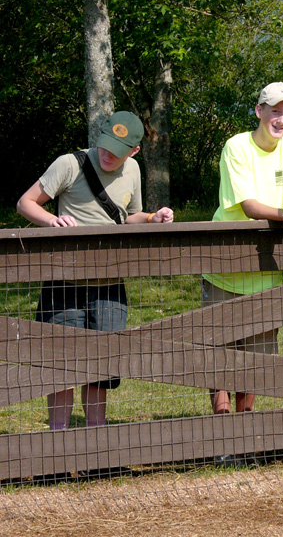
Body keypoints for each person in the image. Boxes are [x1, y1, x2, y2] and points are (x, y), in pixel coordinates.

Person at [16, 111, 174, 430]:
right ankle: (59, 438)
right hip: (64, 282)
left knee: (102, 362)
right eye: (104, 145)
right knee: (61, 363)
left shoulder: (133, 170)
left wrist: (150, 219)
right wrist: (52, 221)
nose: (106, 154)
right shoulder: (69, 164)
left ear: (133, 151)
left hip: (110, 283)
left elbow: (128, 216)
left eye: (116, 151)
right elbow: (26, 203)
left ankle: (96, 443)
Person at [202, 82, 283, 418]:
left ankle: (245, 422)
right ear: (259, 111)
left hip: (267, 269)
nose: (282, 120)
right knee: (218, 351)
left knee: (258, 355)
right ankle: (223, 423)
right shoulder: (236, 146)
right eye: (276, 111)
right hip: (225, 266)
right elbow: (249, 206)